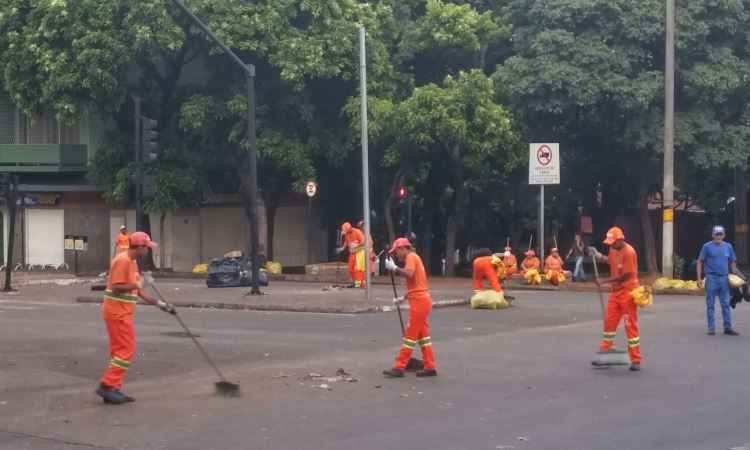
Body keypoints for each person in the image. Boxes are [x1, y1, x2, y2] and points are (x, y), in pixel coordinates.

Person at [97, 231, 176, 405]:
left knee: (119, 353)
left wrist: (161, 305)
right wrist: (139, 283)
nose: (148, 250)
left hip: (121, 312)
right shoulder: (122, 261)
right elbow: (118, 287)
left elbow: (137, 291)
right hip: (117, 313)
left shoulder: (132, 262)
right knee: (126, 350)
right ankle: (107, 385)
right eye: (146, 247)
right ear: (139, 247)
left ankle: (113, 389)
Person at [590, 227, 643, 371]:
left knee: (630, 325)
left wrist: (604, 281)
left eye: (613, 242)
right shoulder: (613, 249)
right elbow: (611, 261)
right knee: (609, 322)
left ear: (620, 239)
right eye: (610, 242)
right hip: (616, 292)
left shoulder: (629, 252)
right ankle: (605, 352)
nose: (611, 245)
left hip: (628, 292)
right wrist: (599, 255)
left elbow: (625, 276)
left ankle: (636, 359)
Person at [383, 238, 437, 378]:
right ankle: (430, 366)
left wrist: (394, 268)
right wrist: (403, 298)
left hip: (419, 302)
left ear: (403, 248)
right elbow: (417, 285)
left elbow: (410, 274)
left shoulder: (411, 257)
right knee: (423, 337)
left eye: (396, 252)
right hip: (420, 299)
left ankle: (399, 367)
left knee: (410, 336)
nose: (396, 255)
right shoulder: (414, 257)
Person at [696, 226, 740, 336]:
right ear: (713, 235)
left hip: (724, 278)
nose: (718, 236)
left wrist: (735, 272)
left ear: (724, 235)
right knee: (710, 303)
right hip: (711, 278)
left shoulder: (728, 246)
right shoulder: (707, 247)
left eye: (720, 234)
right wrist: (699, 278)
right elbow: (700, 262)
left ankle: (727, 327)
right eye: (717, 234)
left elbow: (733, 261)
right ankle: (711, 328)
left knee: (725, 303)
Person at [337, 222, 366, 288]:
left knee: (358, 268)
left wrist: (356, 245)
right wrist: (342, 248)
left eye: (346, 231)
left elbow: (363, 242)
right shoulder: (347, 233)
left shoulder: (357, 232)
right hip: (352, 252)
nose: (346, 232)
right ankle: (355, 282)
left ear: (349, 228)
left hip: (359, 252)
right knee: (350, 268)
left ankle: (359, 284)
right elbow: (346, 242)